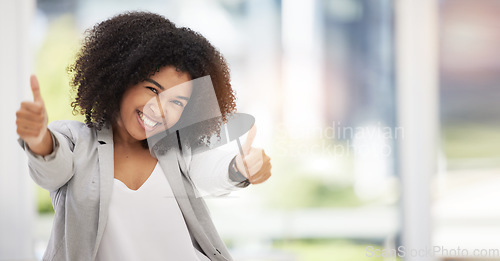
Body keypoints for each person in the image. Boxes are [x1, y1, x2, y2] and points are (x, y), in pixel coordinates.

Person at [16, 11, 271, 261]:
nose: (160, 109)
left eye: (177, 102)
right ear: (122, 78)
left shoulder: (177, 150)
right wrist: (39, 138)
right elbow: (53, 170)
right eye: (152, 89)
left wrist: (239, 168)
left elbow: (209, 170)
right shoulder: (74, 140)